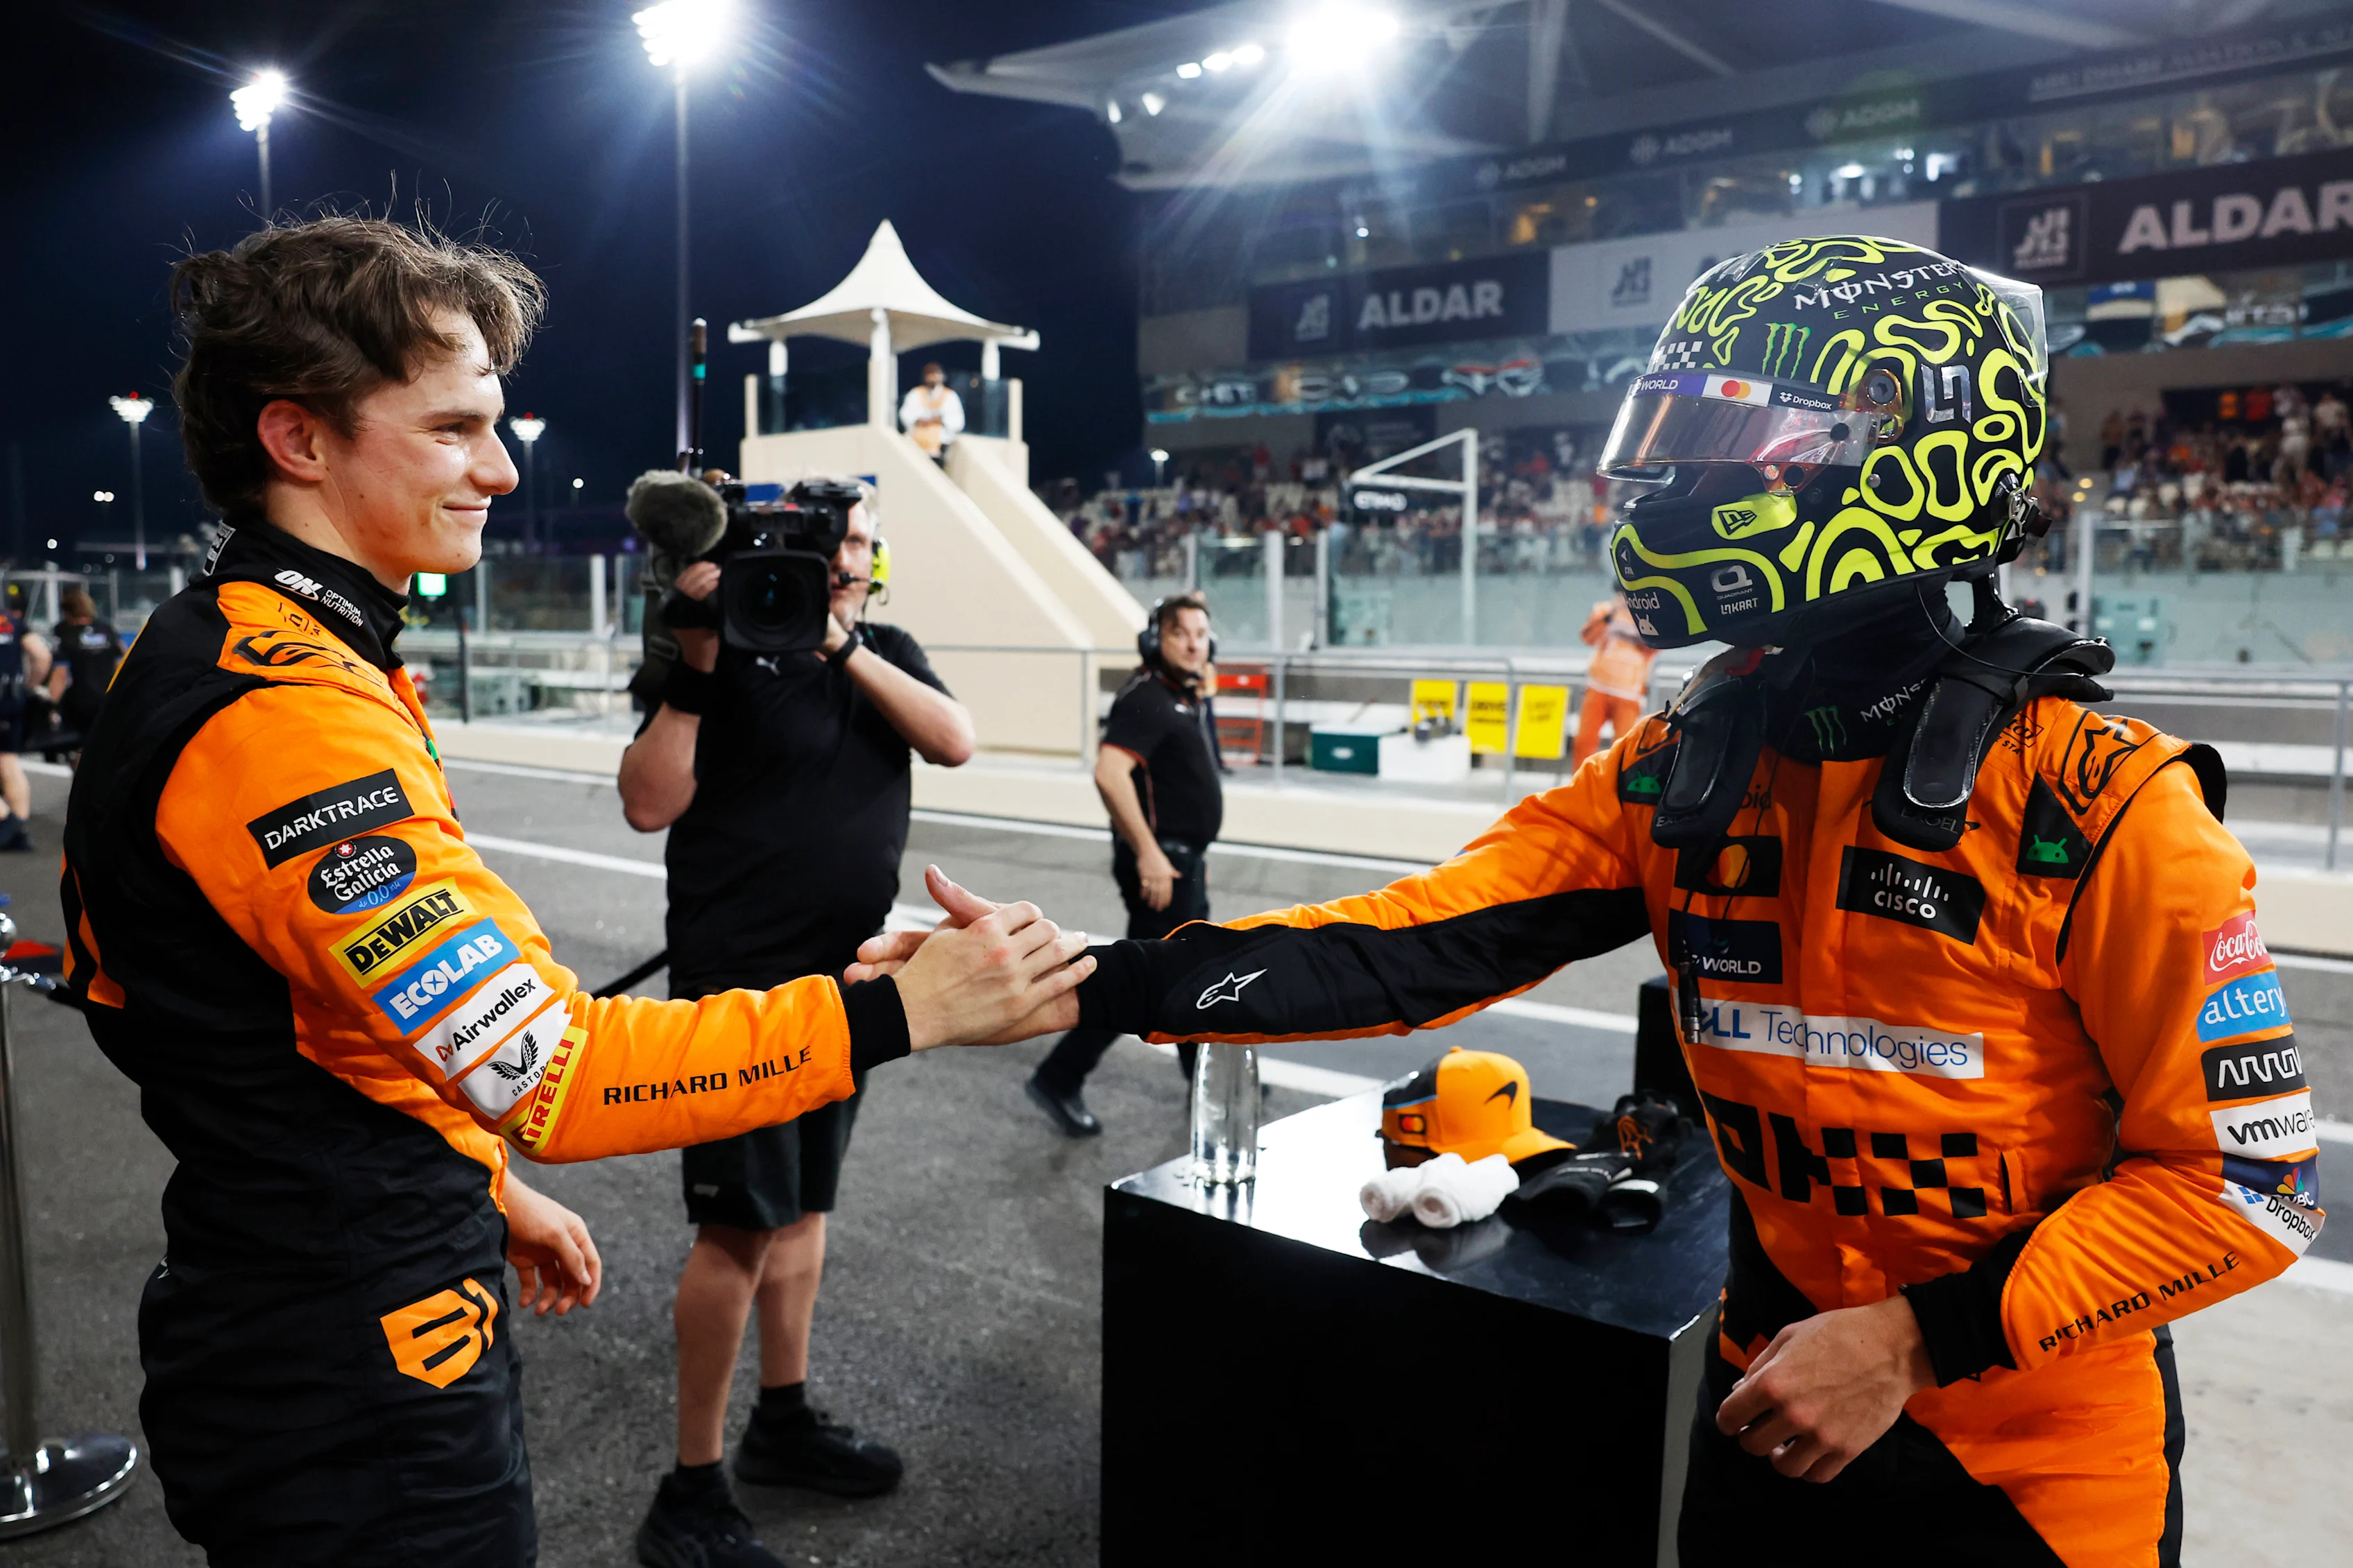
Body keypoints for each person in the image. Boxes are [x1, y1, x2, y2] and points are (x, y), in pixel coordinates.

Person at [867, 236, 2321, 1567]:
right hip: (1767, 1409)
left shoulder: (2104, 802)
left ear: (1902, 457)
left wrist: (1908, 1341)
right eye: (1665, 440)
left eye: (1721, 443)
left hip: (2033, 1472)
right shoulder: (1688, 759)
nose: (1667, 485)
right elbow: (1416, 941)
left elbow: (2250, 1187)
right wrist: (1088, 977)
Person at [59, 215, 1090, 1568]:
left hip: (318, 1292)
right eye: (453, 429)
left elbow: (315, 1026)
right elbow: (560, 1072)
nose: (500, 468)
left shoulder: (241, 640)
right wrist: (912, 1010)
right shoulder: (285, 714)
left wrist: (478, 1186)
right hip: (352, 1370)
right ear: (298, 439)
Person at [617, 480, 974, 1565]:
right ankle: (688, 1491)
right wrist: (696, 659)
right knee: (738, 1229)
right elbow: (647, 800)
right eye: (833, 544)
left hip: (844, 985)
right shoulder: (715, 648)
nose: (849, 559)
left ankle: (781, 1420)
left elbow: (954, 740)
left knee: (805, 1210)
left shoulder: (883, 649)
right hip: (740, 994)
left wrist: (841, 645)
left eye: (861, 543)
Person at [1025, 592, 1221, 1137]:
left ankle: (1203, 1077)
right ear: (1155, 640)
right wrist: (1151, 853)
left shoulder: (1180, 696)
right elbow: (1110, 774)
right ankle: (1060, 1076)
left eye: (1201, 634)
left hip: (1180, 862)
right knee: (1150, 979)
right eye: (1180, 632)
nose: (1194, 644)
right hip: (1161, 866)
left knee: (1180, 972)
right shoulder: (1147, 696)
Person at [1573, 587, 1657, 766]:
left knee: (1623, 747)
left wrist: (1639, 620)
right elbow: (1588, 637)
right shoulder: (1604, 610)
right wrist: (1610, 616)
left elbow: (1652, 648)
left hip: (1629, 691)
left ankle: (1616, 781)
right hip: (1598, 686)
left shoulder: (1646, 617)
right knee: (1584, 740)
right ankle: (1581, 780)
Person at [0, 583, 53, 851]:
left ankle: (6, 820)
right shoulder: (10, 621)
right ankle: (19, 829)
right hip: (10, 697)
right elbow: (41, 655)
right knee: (8, 760)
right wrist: (31, 685)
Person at [49, 585, 125, 752]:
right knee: (105, 747)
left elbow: (60, 673)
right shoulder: (107, 630)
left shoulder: (64, 631)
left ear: (67, 612)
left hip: (79, 702)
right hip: (107, 699)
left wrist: (51, 705)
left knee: (79, 749)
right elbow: (121, 664)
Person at [897, 362, 964, 461]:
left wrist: (940, 421)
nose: (933, 377)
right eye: (929, 374)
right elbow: (905, 415)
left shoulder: (950, 396)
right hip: (916, 443)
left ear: (942, 376)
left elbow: (958, 421)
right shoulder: (916, 393)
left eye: (936, 373)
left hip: (941, 445)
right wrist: (920, 420)